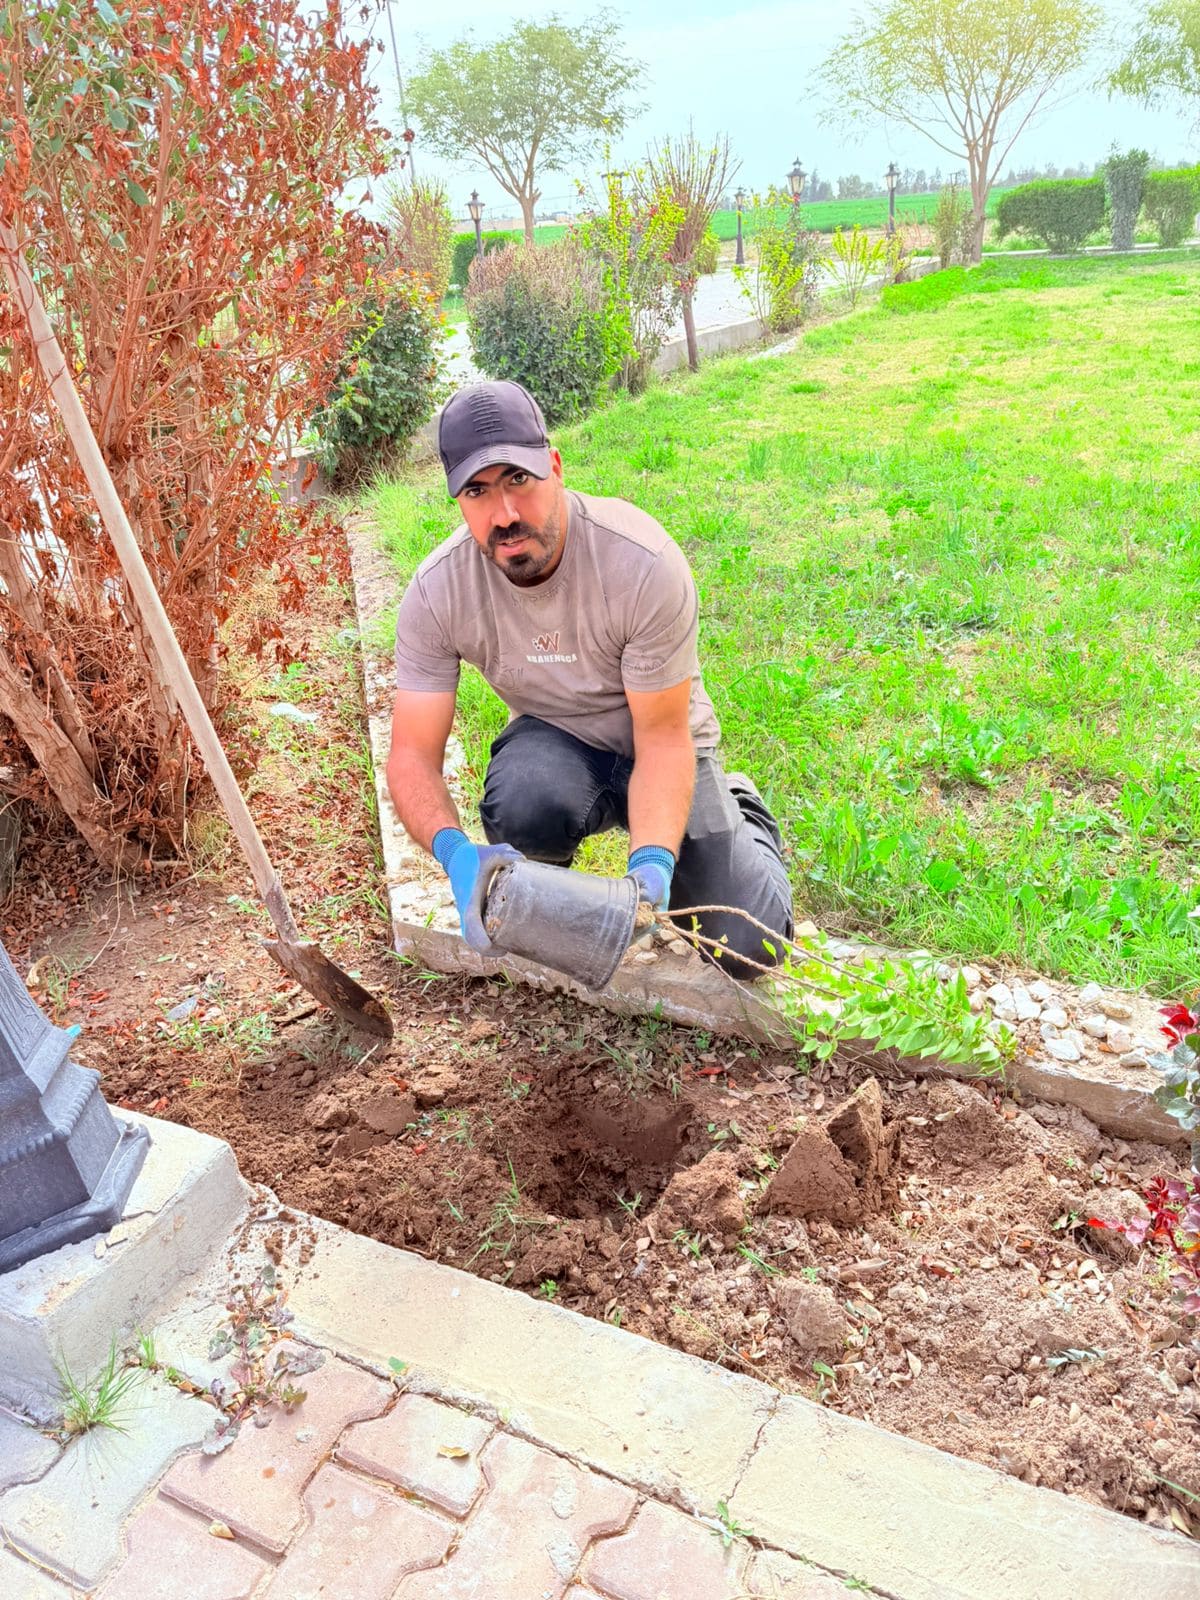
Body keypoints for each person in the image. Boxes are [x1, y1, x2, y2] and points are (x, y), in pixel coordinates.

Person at [386, 378, 794, 979]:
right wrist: (454, 853)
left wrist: (652, 862)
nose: (505, 514)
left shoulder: (640, 561)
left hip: (662, 743)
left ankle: (742, 808)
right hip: (558, 744)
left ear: (554, 467)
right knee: (522, 805)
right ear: (458, 500)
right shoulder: (437, 592)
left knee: (750, 948)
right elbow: (410, 757)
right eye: (478, 491)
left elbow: (662, 739)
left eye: (518, 479)